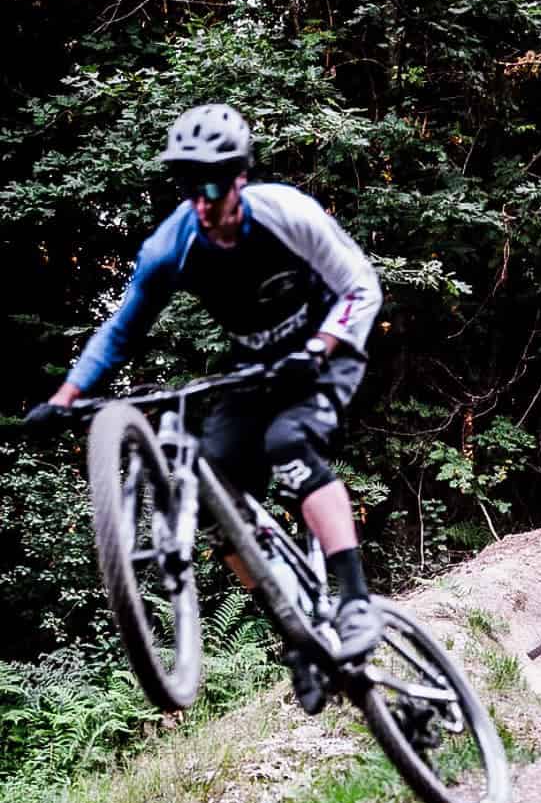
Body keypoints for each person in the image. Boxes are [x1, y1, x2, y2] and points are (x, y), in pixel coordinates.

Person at [24, 103, 386, 686]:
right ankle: (295, 633)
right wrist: (65, 398)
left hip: (327, 348)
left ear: (240, 176)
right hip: (253, 368)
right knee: (218, 496)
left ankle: (355, 599)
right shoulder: (172, 246)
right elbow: (121, 332)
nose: (202, 198)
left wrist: (319, 348)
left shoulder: (285, 213)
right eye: (189, 185)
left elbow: (360, 286)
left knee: (289, 442)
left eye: (213, 183)